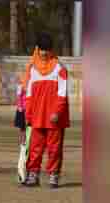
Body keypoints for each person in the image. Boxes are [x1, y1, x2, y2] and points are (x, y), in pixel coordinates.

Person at [24, 33, 70, 188]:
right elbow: (29, 94)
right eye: (42, 49)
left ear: (51, 50)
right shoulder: (32, 68)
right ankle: (33, 174)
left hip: (54, 117)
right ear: (37, 49)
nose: (44, 53)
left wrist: (57, 112)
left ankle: (53, 175)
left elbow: (62, 93)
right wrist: (28, 113)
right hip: (37, 116)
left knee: (54, 148)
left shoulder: (59, 68)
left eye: (47, 50)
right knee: (35, 147)